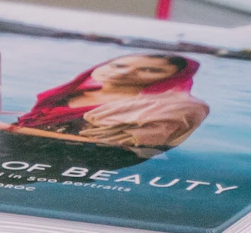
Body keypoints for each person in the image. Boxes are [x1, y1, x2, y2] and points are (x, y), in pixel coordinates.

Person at [12, 49, 208, 154]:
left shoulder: (165, 109)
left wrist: (2, 129)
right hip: (21, 147)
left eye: (150, 70)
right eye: (118, 64)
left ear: (174, 78)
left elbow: (117, 149)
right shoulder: (67, 94)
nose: (123, 72)